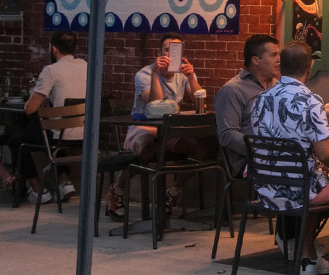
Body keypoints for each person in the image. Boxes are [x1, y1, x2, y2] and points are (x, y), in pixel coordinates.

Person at [250, 42, 329, 275]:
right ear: (309, 68)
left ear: (281, 66)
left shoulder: (260, 100)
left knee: (317, 179)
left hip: (266, 190)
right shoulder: (310, 101)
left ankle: (308, 258)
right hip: (302, 192)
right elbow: (325, 154)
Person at [106, 33, 207, 220]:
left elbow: (197, 101)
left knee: (199, 149)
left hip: (169, 131)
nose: (171, 55)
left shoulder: (184, 74)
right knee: (147, 148)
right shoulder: (144, 74)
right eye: (168, 50)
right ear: (159, 53)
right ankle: (117, 189)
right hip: (143, 127)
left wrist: (191, 77)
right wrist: (155, 74)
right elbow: (155, 104)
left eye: (176, 50)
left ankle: (172, 193)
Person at [7, 32, 87, 204]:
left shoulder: (51, 70)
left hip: (61, 136)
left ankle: (38, 190)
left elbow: (30, 109)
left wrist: (33, 93)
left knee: (16, 140)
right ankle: (64, 183)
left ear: (54, 49)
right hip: (85, 134)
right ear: (75, 48)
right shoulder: (86, 66)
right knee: (51, 127)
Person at [214, 34, 281, 176]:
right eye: (273, 55)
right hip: (249, 160)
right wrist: (262, 148)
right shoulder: (232, 90)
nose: (279, 60)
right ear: (255, 60)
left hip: (280, 154)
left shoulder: (278, 86)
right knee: (300, 171)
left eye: (278, 55)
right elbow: (227, 134)